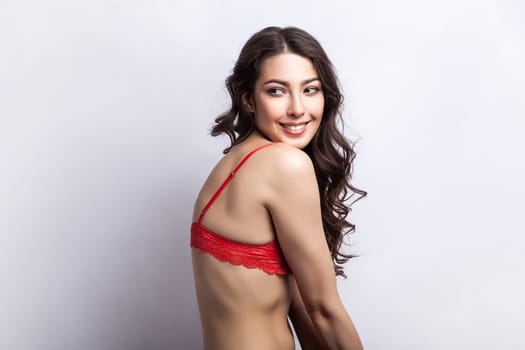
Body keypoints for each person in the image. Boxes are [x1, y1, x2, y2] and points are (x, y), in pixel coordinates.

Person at [191, 26, 367, 350]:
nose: (297, 108)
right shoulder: (284, 164)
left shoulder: (238, 163)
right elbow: (324, 312)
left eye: (310, 90)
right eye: (277, 91)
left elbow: (302, 309)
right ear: (248, 99)